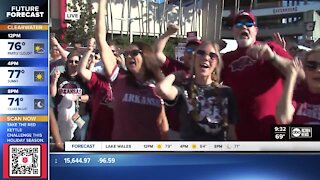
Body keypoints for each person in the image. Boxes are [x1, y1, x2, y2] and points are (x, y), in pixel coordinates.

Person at [96, 0, 168, 140]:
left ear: (145, 55)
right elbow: (100, 39)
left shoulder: (157, 85)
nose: (129, 56)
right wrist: (102, 4)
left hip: (151, 153)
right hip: (124, 154)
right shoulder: (119, 78)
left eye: (134, 53)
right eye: (126, 54)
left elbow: (162, 122)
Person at [221, 11, 293, 140]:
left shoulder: (271, 48)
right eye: (238, 24)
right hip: (240, 134)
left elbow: (298, 73)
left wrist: (273, 58)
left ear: (255, 30)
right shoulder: (226, 58)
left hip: (273, 130)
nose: (243, 27)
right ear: (233, 30)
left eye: (248, 23)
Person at [156, 41, 238, 140]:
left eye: (212, 55)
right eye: (201, 53)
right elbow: (161, 89)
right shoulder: (184, 88)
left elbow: (231, 133)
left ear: (216, 63)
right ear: (194, 60)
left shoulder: (226, 92)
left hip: (216, 152)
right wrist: (174, 75)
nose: (206, 58)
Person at [153, 24, 202, 138]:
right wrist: (168, 33)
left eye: (197, 50)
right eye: (189, 50)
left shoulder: (206, 72)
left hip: (198, 132)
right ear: (183, 54)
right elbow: (156, 53)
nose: (193, 53)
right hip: (175, 130)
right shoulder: (175, 67)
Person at [77, 38, 114, 140]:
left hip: (117, 131)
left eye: (113, 53)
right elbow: (81, 71)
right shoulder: (99, 78)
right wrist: (89, 50)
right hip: (98, 131)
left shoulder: (124, 78)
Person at [50, 51, 90, 142]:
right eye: (71, 61)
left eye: (76, 62)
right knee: (63, 140)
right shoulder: (61, 77)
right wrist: (54, 80)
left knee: (79, 137)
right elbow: (52, 94)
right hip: (62, 116)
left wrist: (78, 98)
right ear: (67, 63)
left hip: (80, 115)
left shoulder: (83, 78)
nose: (73, 64)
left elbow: (90, 97)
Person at [277, 48, 320, 124]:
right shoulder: (297, 95)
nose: (317, 70)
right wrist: (292, 76)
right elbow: (283, 118)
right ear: (304, 70)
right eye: (311, 66)